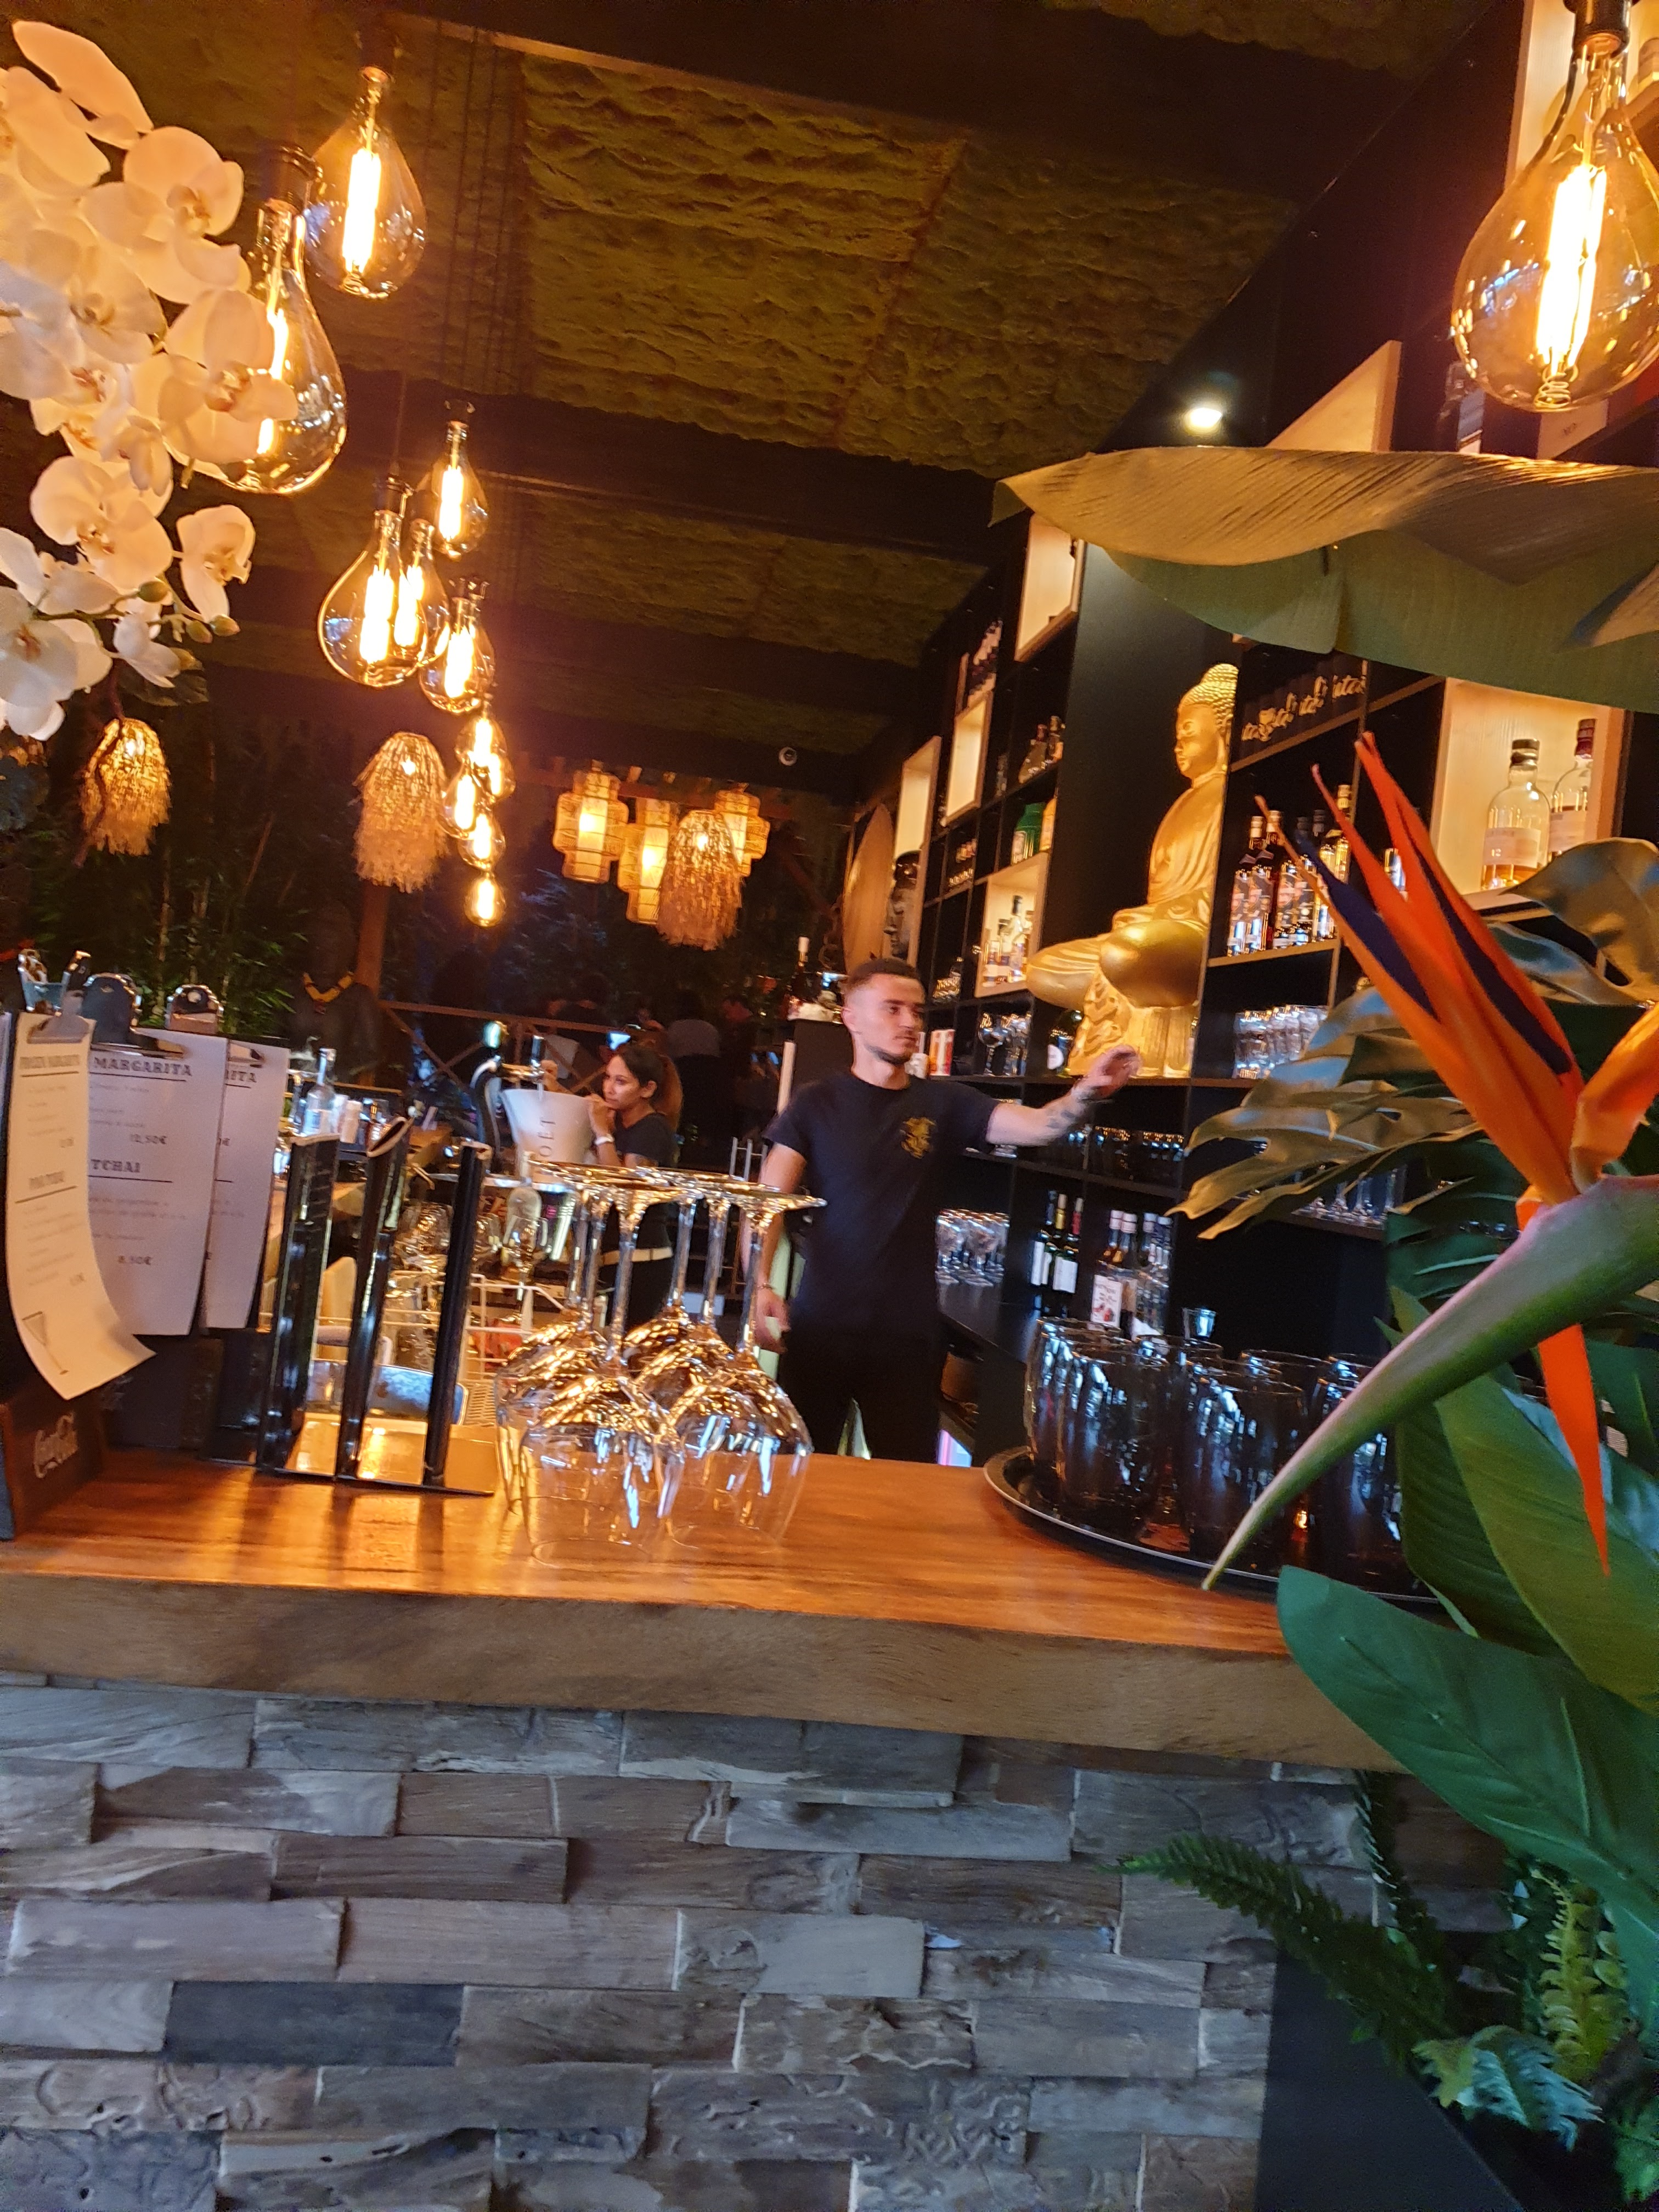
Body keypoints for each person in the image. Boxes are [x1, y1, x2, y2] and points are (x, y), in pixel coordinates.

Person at [753, 956, 1138, 1462]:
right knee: (802, 1473)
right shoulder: (814, 1103)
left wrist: (1085, 1093)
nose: (910, 1022)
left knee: (907, 1486)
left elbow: (1040, 1127)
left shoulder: (945, 1103)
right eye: (893, 1009)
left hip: (909, 1334)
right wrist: (760, 1284)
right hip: (821, 1326)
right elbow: (767, 1203)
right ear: (852, 1017)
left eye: (916, 1011)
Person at [588, 1040, 681, 1329]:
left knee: (625, 1347)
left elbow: (626, 1192)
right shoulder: (623, 1124)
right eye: (607, 1078)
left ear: (647, 1089)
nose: (609, 1088)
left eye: (621, 1082)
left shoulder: (652, 1128)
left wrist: (602, 1134)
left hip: (642, 1260)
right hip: (619, 1256)